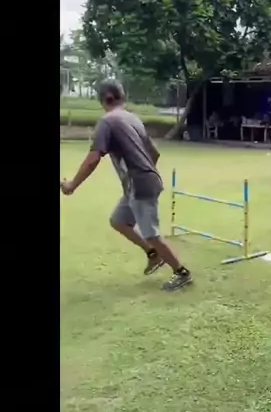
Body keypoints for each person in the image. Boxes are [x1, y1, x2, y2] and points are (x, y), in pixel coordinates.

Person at [60, 79, 192, 292]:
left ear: (106, 99)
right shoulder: (133, 118)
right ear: (122, 96)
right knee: (119, 220)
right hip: (141, 182)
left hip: (140, 184)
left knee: (151, 233)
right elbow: (154, 153)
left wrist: (72, 185)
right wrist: (144, 171)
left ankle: (181, 272)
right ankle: (153, 254)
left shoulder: (107, 121)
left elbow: (93, 159)